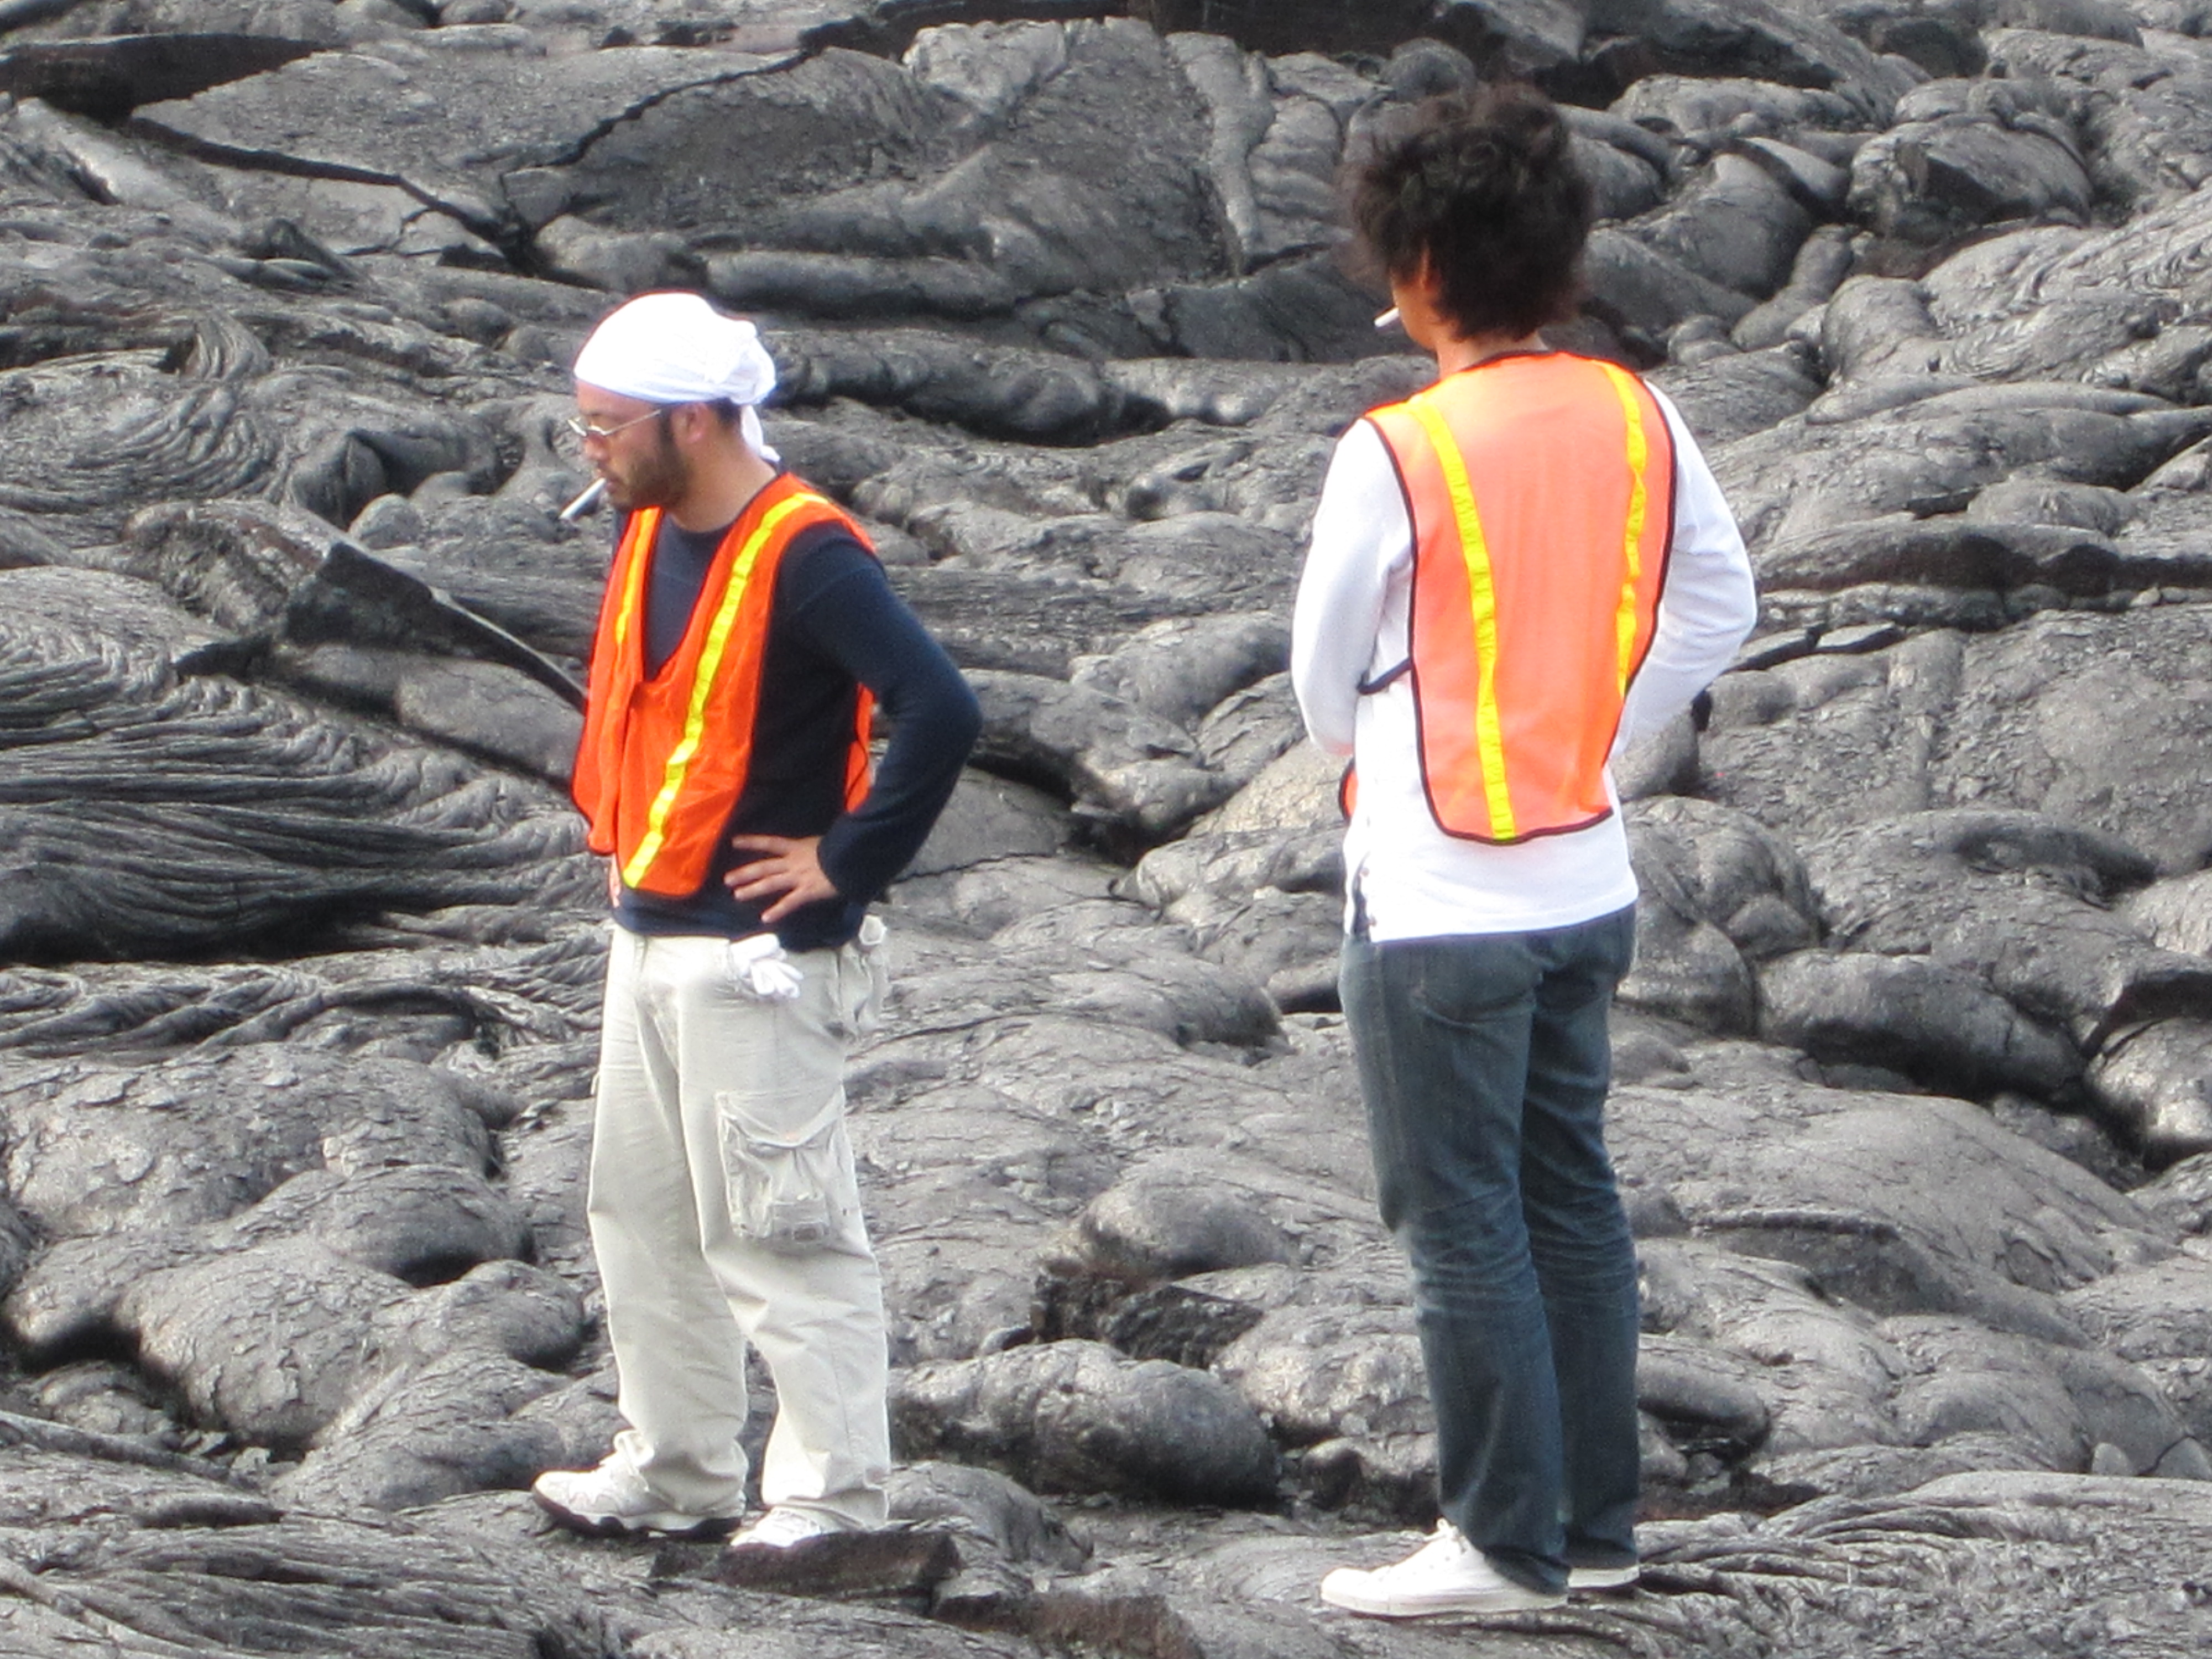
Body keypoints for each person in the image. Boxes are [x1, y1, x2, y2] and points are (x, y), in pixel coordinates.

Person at [1291, 86, 1757, 1618]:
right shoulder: (1641, 409)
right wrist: (1602, 721)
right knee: (1571, 1195)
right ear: (1557, 254)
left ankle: (1497, 1543)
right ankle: (1597, 1529)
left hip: (1436, 899)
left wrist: (1381, 756)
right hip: (1586, 877)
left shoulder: (1397, 448)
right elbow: (1720, 607)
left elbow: (1318, 679)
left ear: (1416, 263)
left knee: (1462, 1217)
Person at [531, 291, 980, 1551]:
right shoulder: (651, 520)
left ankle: (831, 1506)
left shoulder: (810, 554)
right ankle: (674, 1471)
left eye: (604, 427)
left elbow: (940, 712)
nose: (590, 450)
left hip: (758, 962)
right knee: (642, 1216)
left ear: (690, 419)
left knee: (784, 1237)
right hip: (648, 930)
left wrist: (846, 866)